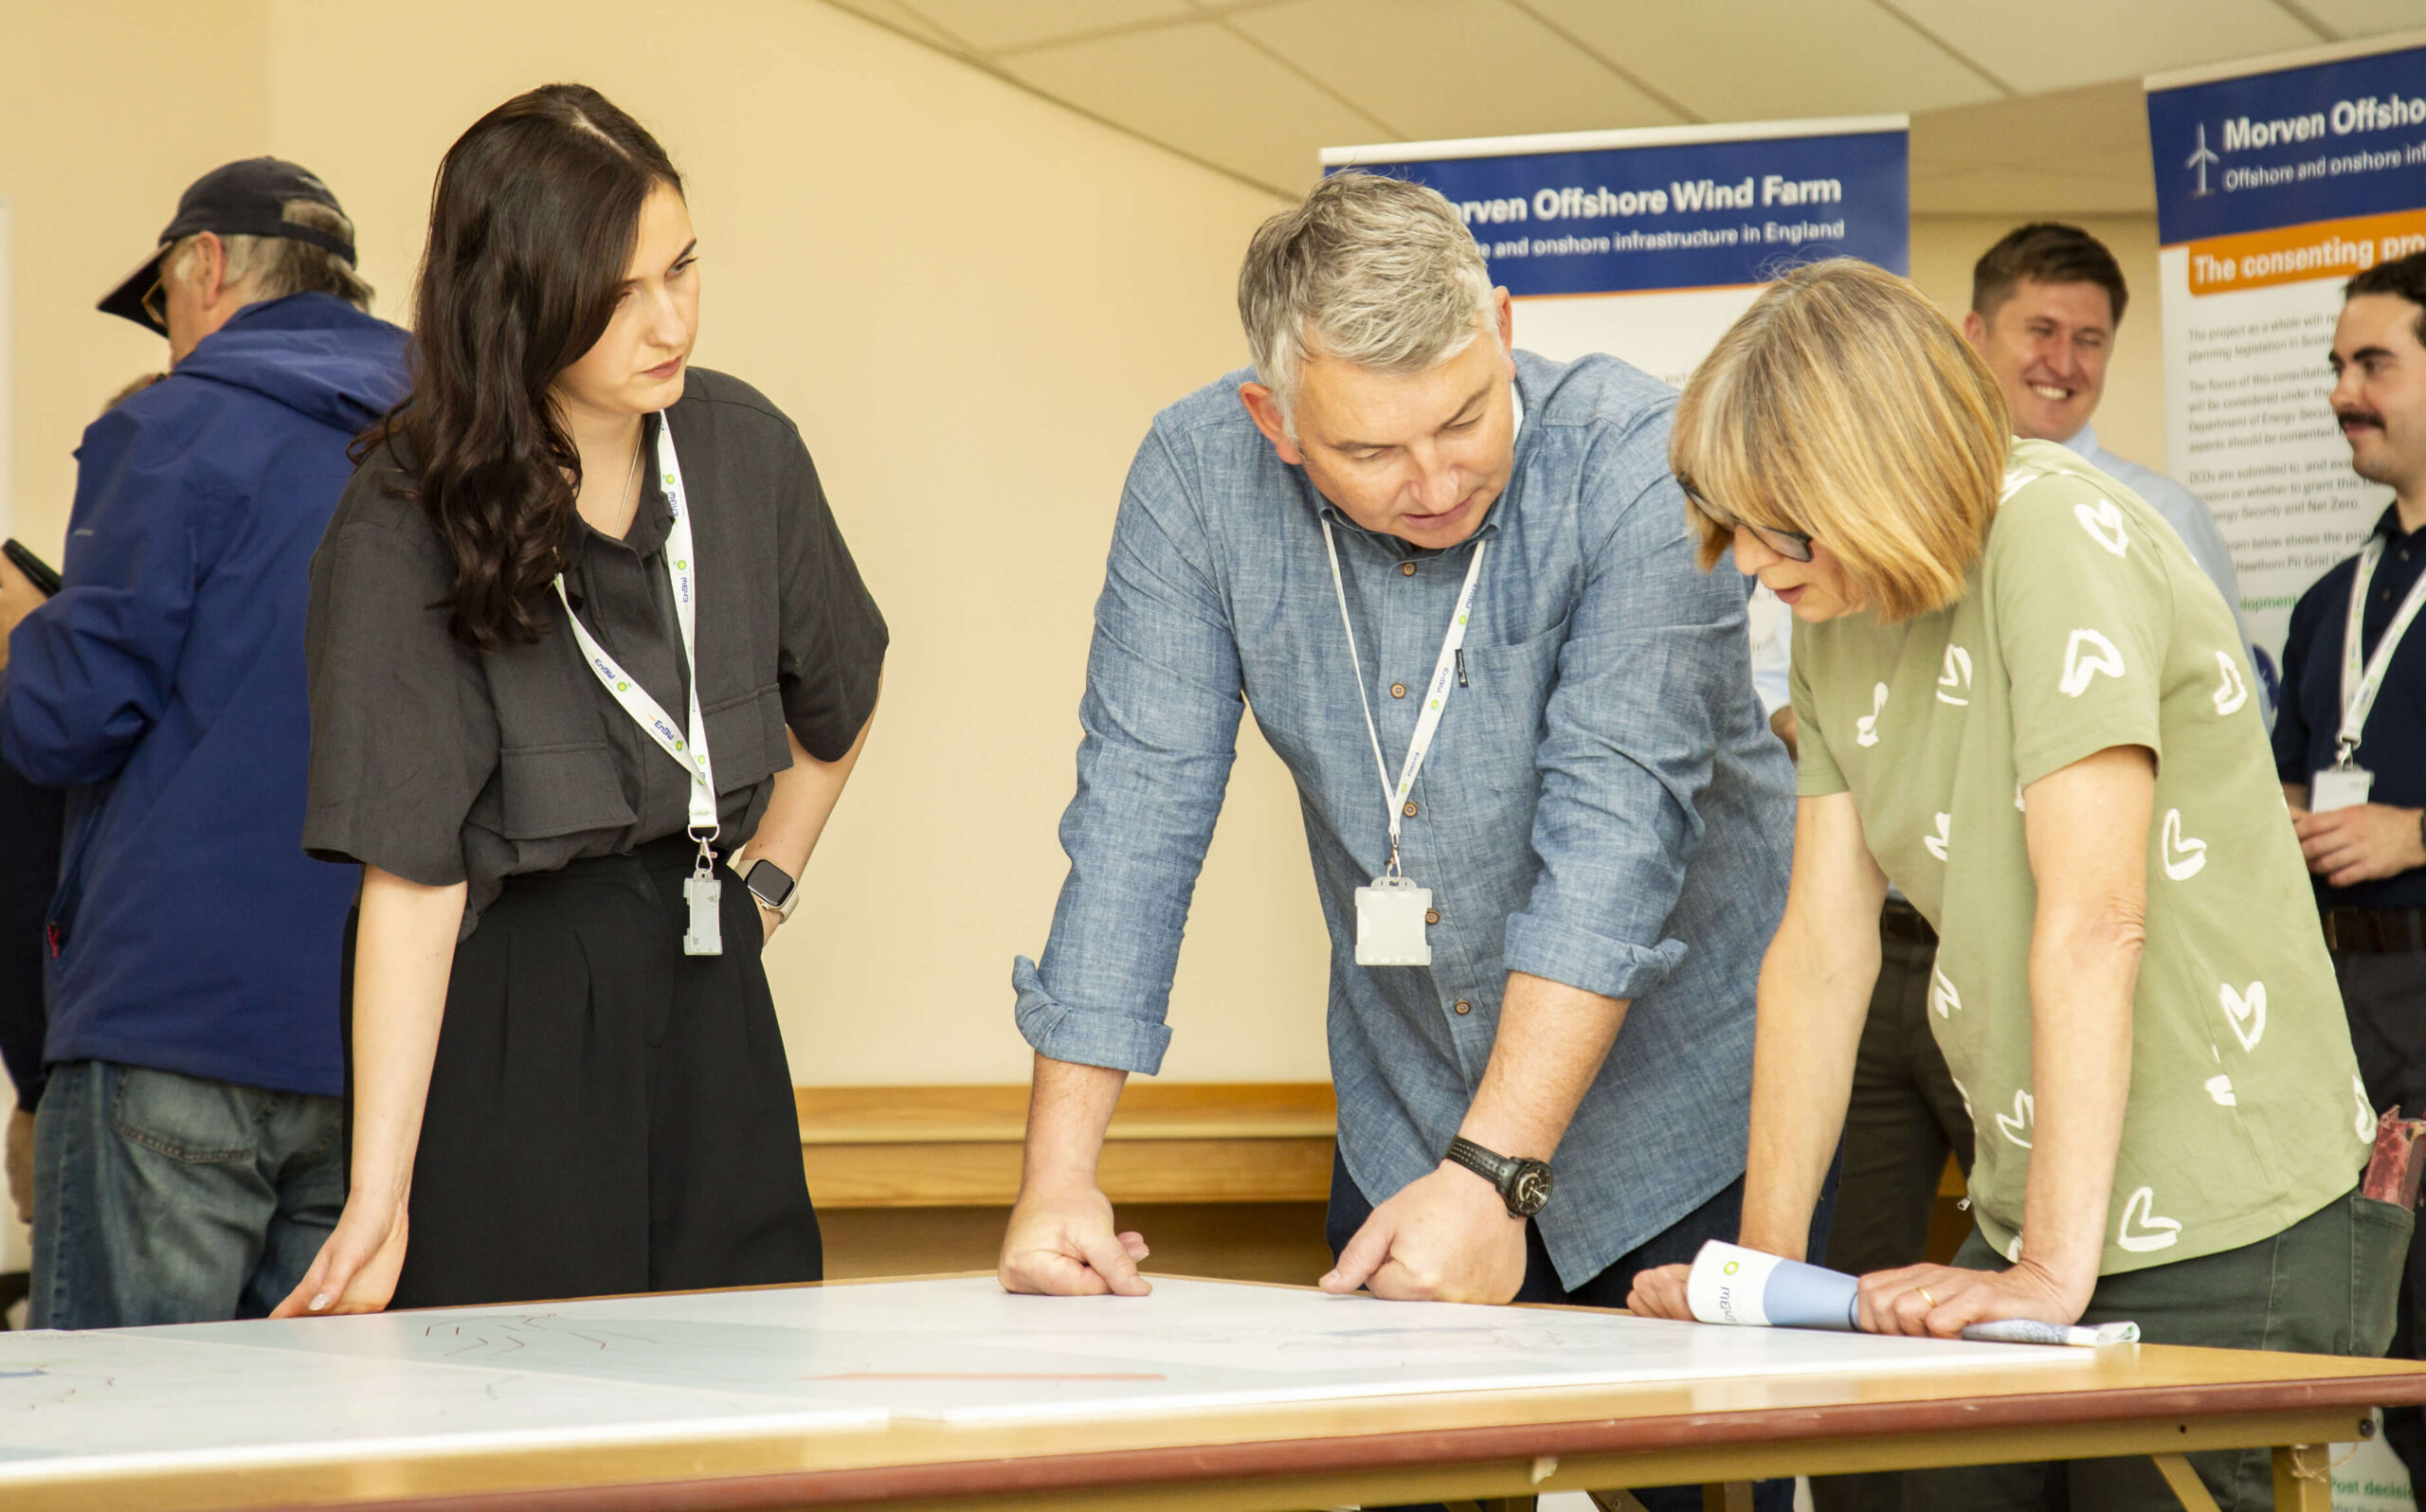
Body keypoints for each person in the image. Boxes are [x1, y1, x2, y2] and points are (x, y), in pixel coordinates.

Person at [995, 171, 1801, 1511]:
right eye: (1371, 451)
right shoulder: (1198, 476)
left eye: (1465, 417)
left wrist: (1495, 1178)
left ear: (1499, 321)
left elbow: (1613, 850)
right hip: (1410, 1104)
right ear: (1276, 419)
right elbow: (1138, 811)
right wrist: (1059, 1179)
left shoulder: (1637, 459)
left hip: (1683, 1117)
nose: (1434, 479)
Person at [1628, 259, 2405, 1512]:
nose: (1754, 565)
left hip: (2226, 1215)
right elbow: (1824, 951)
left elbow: (2095, 921)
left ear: (1869, 470)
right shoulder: (1838, 610)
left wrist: (2048, 1271)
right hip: (2035, 1202)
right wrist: (1753, 1281)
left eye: (1782, 524)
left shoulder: (2052, 531)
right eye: (1735, 524)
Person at [280, 84, 885, 1317]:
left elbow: (841, 695)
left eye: (683, 267)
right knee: (524, 1405)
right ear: (519, 303)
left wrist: (766, 882)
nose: (668, 320)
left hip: (709, 977)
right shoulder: (410, 510)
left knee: (744, 1377)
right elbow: (413, 877)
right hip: (514, 998)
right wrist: (378, 1195)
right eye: (619, 294)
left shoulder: (742, 448)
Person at [0, 159, 408, 1328]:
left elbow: (67, 721)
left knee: (129, 1463)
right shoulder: (445, 445)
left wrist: (32, 629)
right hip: (372, 1049)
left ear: (206, 268)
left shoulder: (171, 425)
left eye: (167, 305)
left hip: (171, 1024)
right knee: (322, 1474)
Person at [2274, 247, 2426, 1488]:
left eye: (2373, 363)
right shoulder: (2333, 598)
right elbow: (2287, 775)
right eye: (2337, 365)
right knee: (2377, 1339)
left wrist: (2420, 834)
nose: (2343, 391)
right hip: (2335, 1008)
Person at [1964, 223, 2265, 703]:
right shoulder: (1923, 504)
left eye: (2088, 340)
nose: (2063, 364)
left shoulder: (2164, 515)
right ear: (1976, 336)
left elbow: (2235, 703)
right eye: (2041, 331)